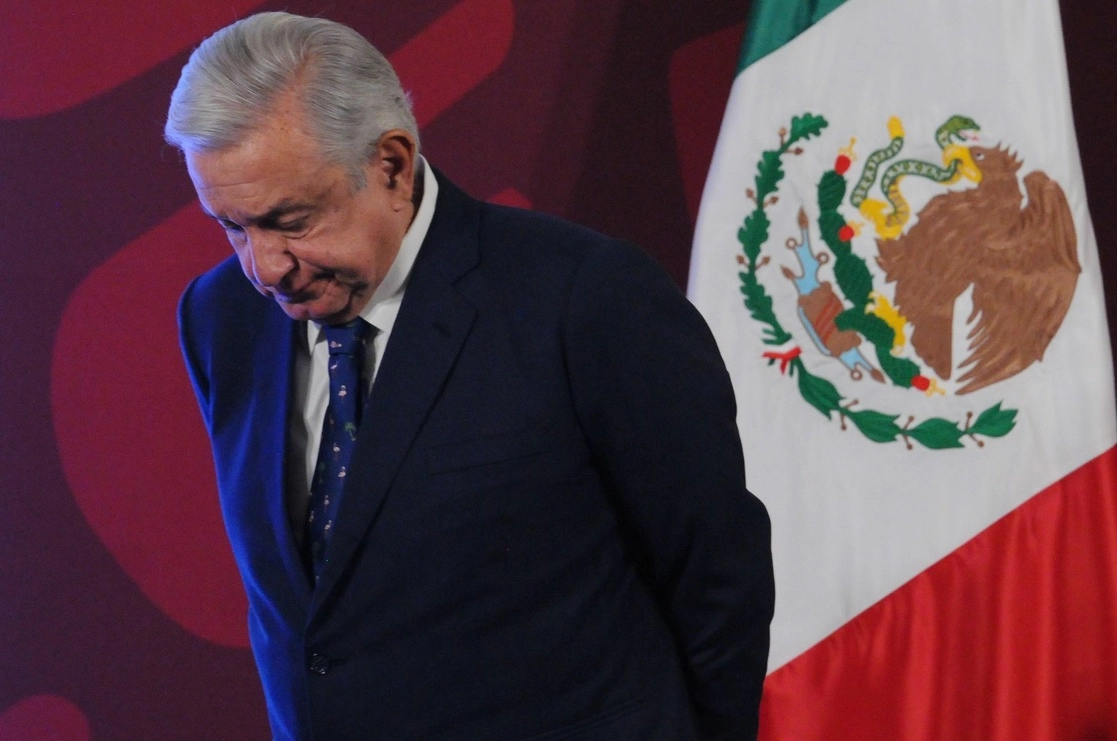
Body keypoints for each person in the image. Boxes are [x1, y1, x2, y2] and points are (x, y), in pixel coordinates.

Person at [166, 11, 774, 740]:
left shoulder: (583, 297)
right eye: (231, 225)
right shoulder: (220, 315)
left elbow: (716, 579)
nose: (263, 268)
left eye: (291, 220)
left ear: (390, 165)